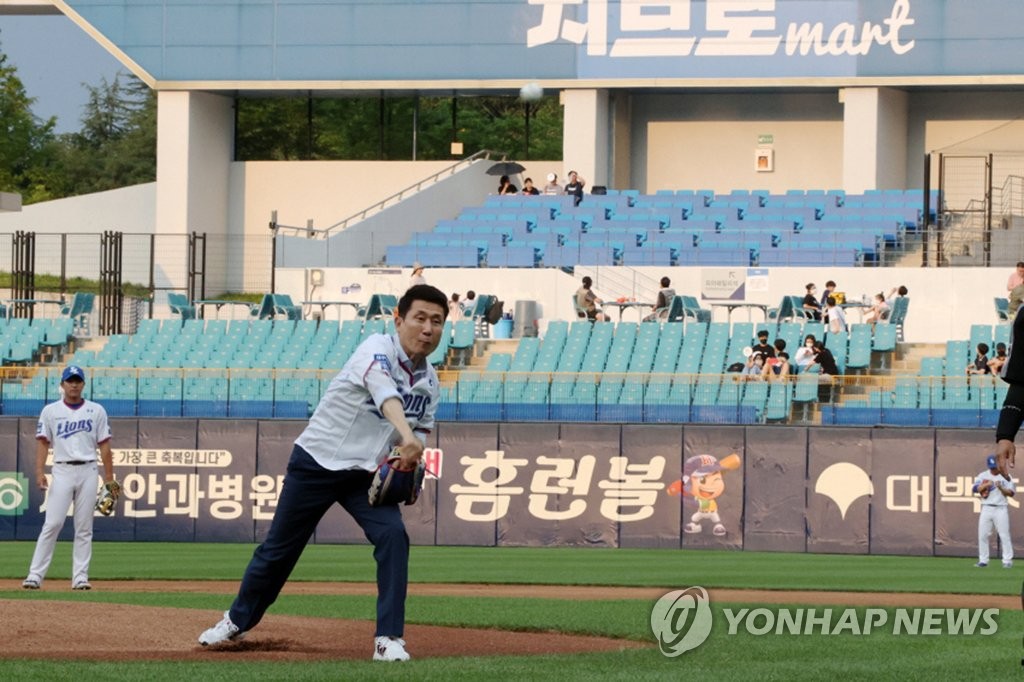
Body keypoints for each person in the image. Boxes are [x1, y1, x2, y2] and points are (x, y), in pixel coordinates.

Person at [197, 285, 449, 662]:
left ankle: (389, 639)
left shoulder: (430, 383)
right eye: (420, 318)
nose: (428, 328)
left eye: (437, 321)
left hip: (364, 475)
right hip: (317, 461)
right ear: (398, 319)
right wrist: (410, 437)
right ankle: (235, 620)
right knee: (278, 552)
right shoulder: (376, 348)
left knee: (394, 536)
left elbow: (421, 428)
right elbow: (385, 395)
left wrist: (411, 454)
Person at [22, 366, 116, 591]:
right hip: (62, 470)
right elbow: (43, 442)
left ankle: (80, 577)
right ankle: (35, 575)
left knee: (84, 527)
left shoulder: (96, 410)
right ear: (62, 384)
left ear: (83, 384)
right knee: (52, 523)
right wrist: (38, 471)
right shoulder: (51, 411)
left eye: (77, 380)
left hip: (88, 470)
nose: (74, 384)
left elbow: (105, 446)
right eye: (70, 380)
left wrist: (109, 477)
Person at [973, 454, 1015, 568]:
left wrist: (1001, 488)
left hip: (1000, 508)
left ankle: (1007, 560)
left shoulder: (1006, 476)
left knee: (1004, 535)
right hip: (986, 507)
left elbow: (1011, 493)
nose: (993, 469)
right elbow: (975, 489)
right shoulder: (983, 475)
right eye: (991, 467)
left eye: (995, 466)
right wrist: (986, 484)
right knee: (983, 535)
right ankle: (983, 560)